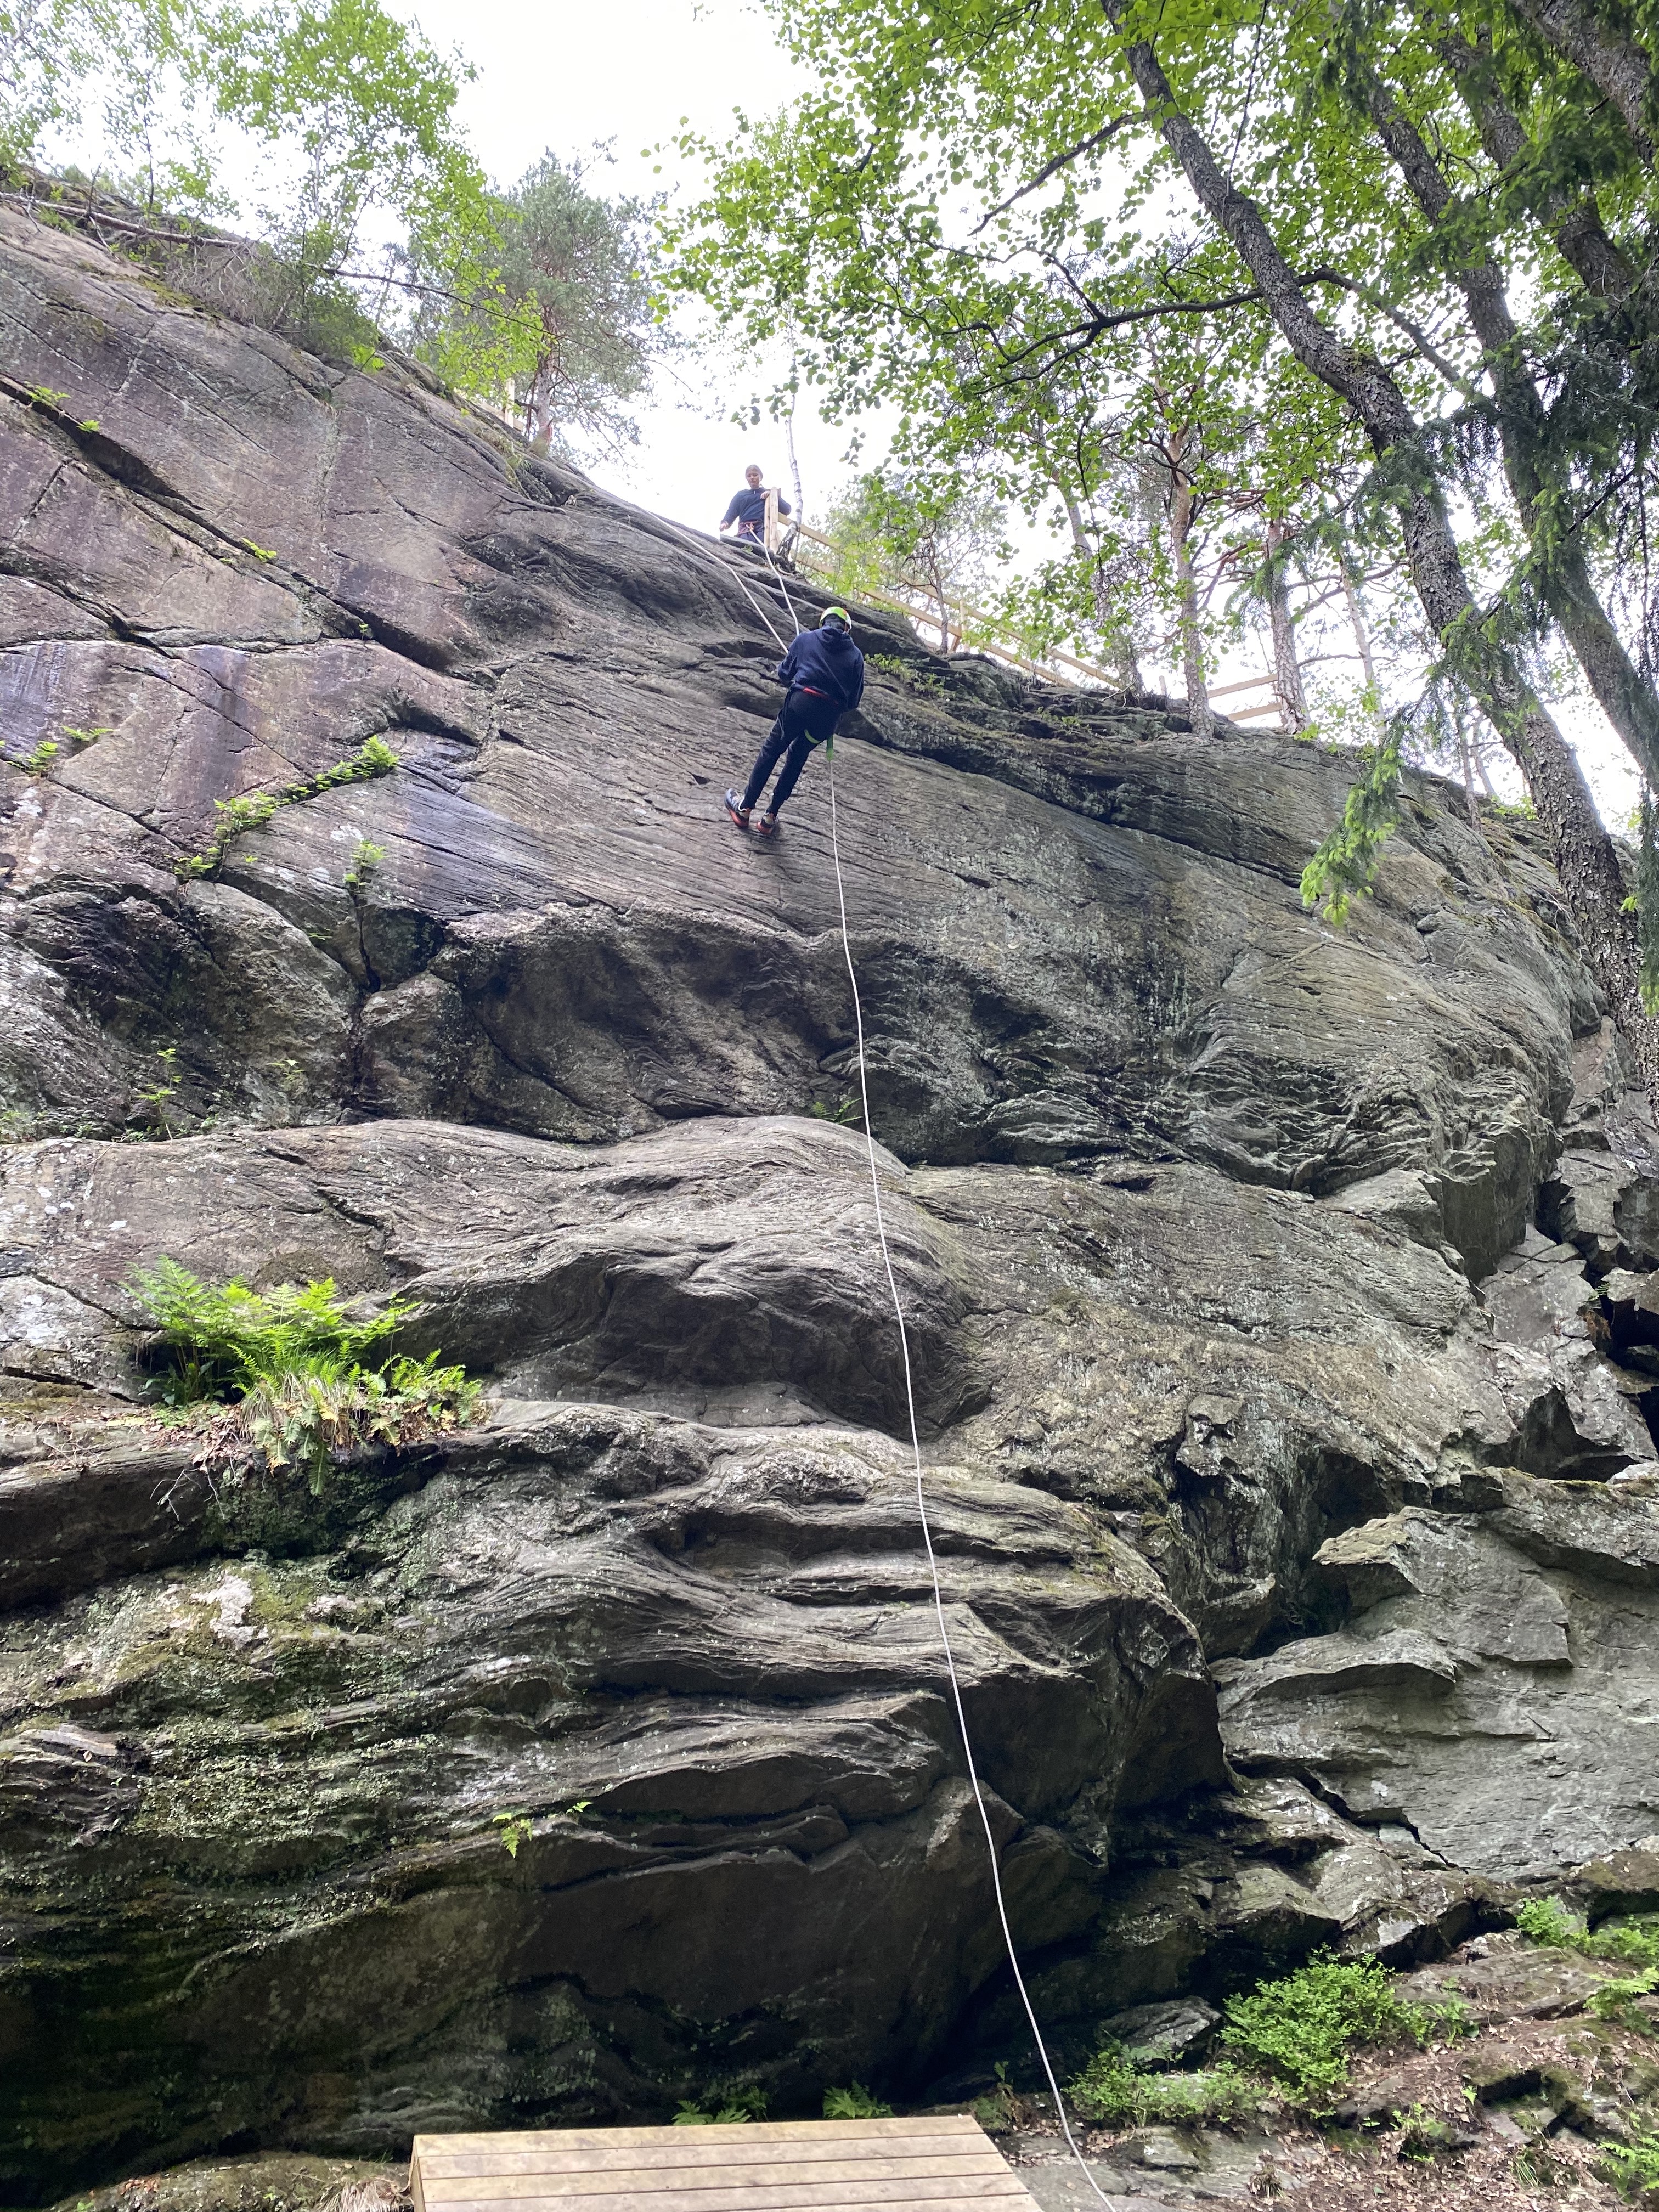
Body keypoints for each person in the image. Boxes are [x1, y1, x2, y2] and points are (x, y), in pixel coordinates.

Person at [725, 606, 865, 834]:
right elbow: (854, 701)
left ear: (823, 623)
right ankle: (769, 818)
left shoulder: (805, 639)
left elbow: (784, 675)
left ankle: (745, 808)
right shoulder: (856, 656)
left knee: (772, 749)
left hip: (800, 705)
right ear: (846, 628)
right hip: (826, 720)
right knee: (798, 757)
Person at [719, 463, 792, 545]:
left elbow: (787, 509)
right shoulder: (741, 495)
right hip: (745, 530)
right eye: (749, 476)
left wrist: (773, 495)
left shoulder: (768, 494)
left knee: (761, 551)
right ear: (746, 478)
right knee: (746, 548)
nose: (752, 478)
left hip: (763, 530)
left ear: (761, 477)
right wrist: (725, 522)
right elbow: (732, 512)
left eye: (755, 475)